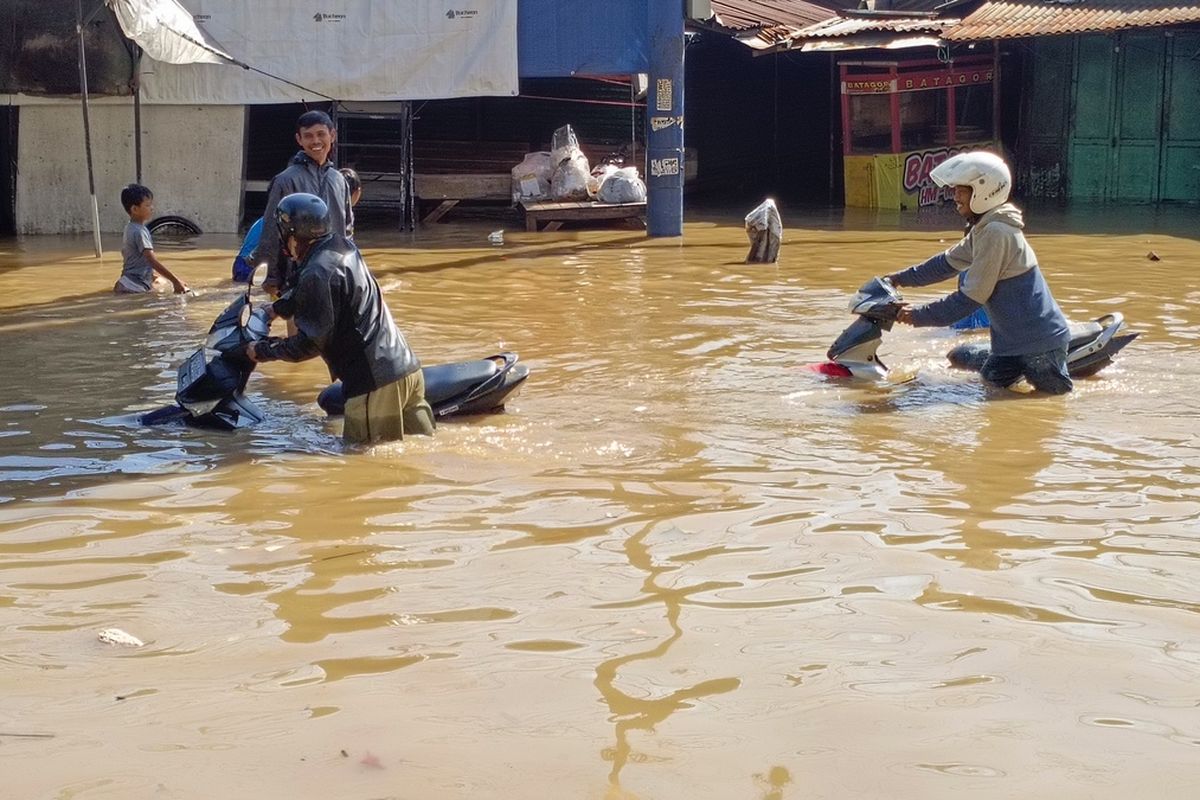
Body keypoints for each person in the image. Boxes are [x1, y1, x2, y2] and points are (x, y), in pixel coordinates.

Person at [246, 193, 434, 444]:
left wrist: (263, 350)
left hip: (374, 384)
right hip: (407, 371)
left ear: (292, 235)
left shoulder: (316, 272)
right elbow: (320, 292)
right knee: (420, 452)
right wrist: (276, 309)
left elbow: (310, 344)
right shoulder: (341, 247)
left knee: (363, 462)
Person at [883, 151, 1073, 395]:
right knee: (991, 386)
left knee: (1054, 403)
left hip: (1039, 346)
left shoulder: (997, 232)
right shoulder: (984, 229)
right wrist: (898, 279)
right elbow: (946, 263)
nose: (955, 197)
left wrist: (916, 316)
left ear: (984, 191)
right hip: (1010, 345)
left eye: (962, 190)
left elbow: (969, 299)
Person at [252, 110, 353, 297]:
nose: (315, 141)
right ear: (299, 140)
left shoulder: (339, 181)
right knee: (298, 325)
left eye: (321, 134)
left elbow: (346, 232)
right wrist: (272, 278)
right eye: (308, 136)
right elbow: (272, 232)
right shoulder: (285, 180)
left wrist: (352, 271)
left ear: (332, 135)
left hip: (333, 275)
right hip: (296, 276)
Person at [232, 168, 360, 282]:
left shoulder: (336, 183)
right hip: (252, 265)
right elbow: (269, 243)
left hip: (250, 262)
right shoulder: (290, 217)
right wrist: (272, 278)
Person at [114, 184, 189, 294]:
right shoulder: (140, 232)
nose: (152, 208)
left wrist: (153, 276)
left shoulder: (129, 227)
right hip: (135, 287)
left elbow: (136, 260)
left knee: (161, 282)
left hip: (127, 282)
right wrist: (175, 281)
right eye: (148, 205)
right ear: (135, 209)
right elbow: (152, 261)